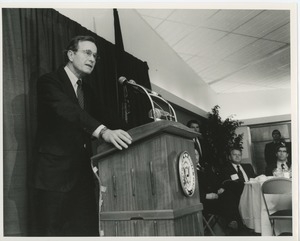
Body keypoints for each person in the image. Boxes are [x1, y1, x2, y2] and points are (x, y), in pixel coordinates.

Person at [33, 35, 132, 236]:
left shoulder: (88, 90)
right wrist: (103, 132)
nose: (92, 59)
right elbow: (68, 110)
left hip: (82, 178)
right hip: (54, 177)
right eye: (87, 53)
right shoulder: (49, 82)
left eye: (95, 56)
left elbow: (109, 117)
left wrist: (144, 128)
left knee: (86, 232)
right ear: (71, 54)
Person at [219, 147, 256, 233]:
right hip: (236, 194)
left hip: (251, 192)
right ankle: (237, 223)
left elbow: (255, 178)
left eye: (239, 155)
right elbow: (226, 183)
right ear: (229, 157)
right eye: (234, 155)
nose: (237, 157)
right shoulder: (225, 169)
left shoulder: (248, 166)